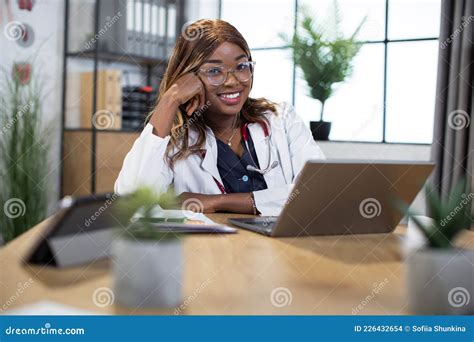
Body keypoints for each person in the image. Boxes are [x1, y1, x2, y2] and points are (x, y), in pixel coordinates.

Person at [115, 19, 325, 215]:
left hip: (280, 251)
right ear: (188, 78)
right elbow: (132, 204)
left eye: (242, 67)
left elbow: (319, 191)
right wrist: (170, 100)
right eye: (214, 71)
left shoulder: (281, 119)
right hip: (210, 254)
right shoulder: (174, 140)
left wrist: (216, 202)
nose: (233, 81)